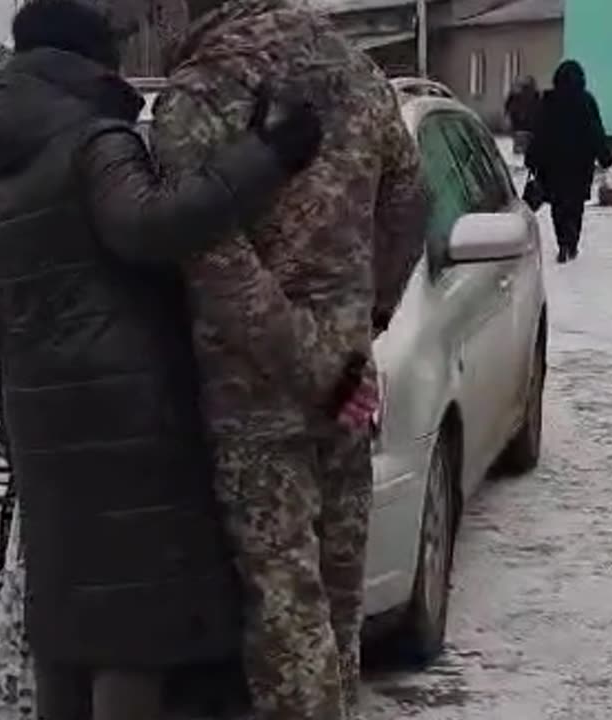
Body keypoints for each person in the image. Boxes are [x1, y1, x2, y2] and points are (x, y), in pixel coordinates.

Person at [0, 0, 325, 717]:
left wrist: (11, 413)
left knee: (70, 621)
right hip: (123, 415)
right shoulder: (93, 138)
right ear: (89, 59)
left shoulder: (5, 158)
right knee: (133, 628)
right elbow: (148, 224)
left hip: (46, 418)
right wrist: (268, 154)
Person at [148, 0, 425, 717]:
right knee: (337, 590)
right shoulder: (356, 70)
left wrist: (306, 359)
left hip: (255, 390)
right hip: (346, 379)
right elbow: (410, 199)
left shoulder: (200, 93)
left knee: (285, 604)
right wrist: (368, 318)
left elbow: (211, 257)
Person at [527, 60, 612, 264]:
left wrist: (532, 158)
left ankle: (562, 243)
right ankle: (572, 242)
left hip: (553, 165)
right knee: (575, 206)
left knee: (558, 206)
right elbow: (595, 132)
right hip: (579, 166)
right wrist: (605, 157)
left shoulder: (548, 101)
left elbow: (538, 133)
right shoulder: (586, 101)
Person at [505, 75, 540, 155]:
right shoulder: (516, 96)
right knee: (521, 139)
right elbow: (509, 107)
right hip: (522, 123)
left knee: (523, 139)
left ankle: (520, 149)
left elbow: (509, 107)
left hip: (526, 124)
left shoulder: (535, 96)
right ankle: (520, 149)